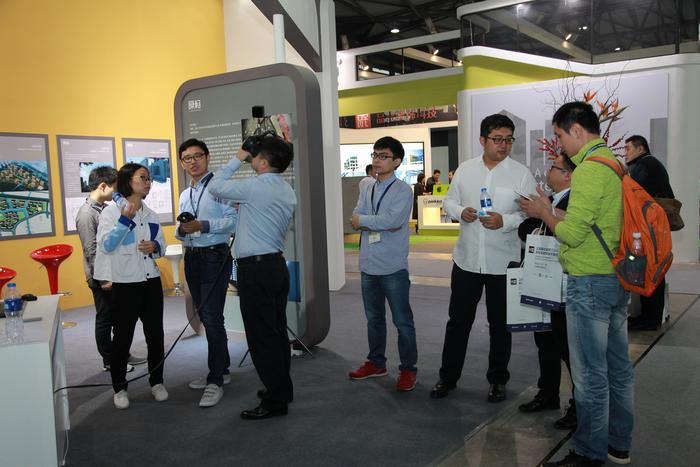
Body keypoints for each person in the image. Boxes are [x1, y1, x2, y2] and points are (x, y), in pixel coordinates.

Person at [520, 102, 633, 466]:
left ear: (577, 131)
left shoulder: (588, 170)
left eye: (559, 135)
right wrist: (552, 211)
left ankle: (588, 452)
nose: (559, 143)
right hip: (615, 276)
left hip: (589, 281)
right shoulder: (614, 164)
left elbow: (571, 234)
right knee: (618, 368)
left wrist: (544, 213)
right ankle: (618, 444)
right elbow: (592, 221)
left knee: (589, 375)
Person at [430, 114, 537, 403]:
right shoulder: (465, 170)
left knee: (500, 326)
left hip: (503, 261)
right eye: (497, 139)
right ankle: (447, 377)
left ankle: (498, 380)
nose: (504, 145)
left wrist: (506, 221)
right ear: (482, 140)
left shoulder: (521, 174)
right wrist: (460, 211)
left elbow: (530, 213)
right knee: (458, 322)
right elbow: (449, 201)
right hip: (467, 260)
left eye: (508, 139)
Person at [208, 135, 296, 420]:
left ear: (264, 162)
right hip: (275, 266)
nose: (252, 158)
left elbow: (215, 186)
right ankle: (281, 389)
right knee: (276, 332)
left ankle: (275, 401)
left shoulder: (256, 186)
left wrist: (237, 157)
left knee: (261, 338)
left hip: (256, 271)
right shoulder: (285, 188)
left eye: (255, 155)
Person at [94, 163, 168, 410]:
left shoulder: (151, 214)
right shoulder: (110, 213)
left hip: (151, 280)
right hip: (126, 282)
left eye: (149, 178)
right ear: (128, 181)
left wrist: (155, 247)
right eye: (143, 177)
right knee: (122, 338)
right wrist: (124, 221)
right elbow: (106, 245)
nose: (148, 182)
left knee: (155, 336)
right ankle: (119, 387)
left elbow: (162, 246)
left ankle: (157, 381)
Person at [348, 136, 418, 391]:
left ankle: (408, 369)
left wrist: (365, 221)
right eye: (375, 155)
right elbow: (355, 216)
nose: (377, 160)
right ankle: (376, 363)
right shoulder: (368, 187)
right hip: (368, 265)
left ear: (397, 161)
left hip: (393, 267)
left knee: (402, 322)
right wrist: (369, 220)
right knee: (374, 319)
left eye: (383, 156)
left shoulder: (403, 190)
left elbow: (392, 221)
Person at [516, 154, 577, 431]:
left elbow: (568, 232)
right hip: (543, 281)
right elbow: (527, 228)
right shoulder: (550, 200)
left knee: (567, 347)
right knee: (545, 341)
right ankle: (548, 392)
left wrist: (545, 216)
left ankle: (579, 404)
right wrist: (538, 221)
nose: (548, 171)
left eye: (553, 167)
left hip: (563, 282)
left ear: (567, 174)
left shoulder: (574, 201)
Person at [175, 139, 237, 408]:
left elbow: (234, 221)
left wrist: (204, 225)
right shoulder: (184, 194)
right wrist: (183, 229)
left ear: (207, 157)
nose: (193, 161)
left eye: (197, 156)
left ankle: (215, 380)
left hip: (214, 256)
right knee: (205, 315)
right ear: (182, 163)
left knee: (212, 317)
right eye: (187, 158)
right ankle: (222, 368)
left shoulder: (220, 188)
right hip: (192, 257)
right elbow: (180, 228)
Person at [75, 167, 147, 374]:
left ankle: (121, 354)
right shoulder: (87, 214)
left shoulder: (104, 209)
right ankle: (109, 359)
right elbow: (91, 250)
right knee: (105, 317)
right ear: (103, 186)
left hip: (114, 274)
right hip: (100, 276)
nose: (118, 192)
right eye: (115, 187)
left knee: (118, 317)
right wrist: (104, 278)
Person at [624, 134, 674, 331]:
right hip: (653, 226)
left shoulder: (645, 164)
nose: (625, 153)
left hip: (649, 227)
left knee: (650, 269)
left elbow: (633, 191)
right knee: (651, 268)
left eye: (628, 148)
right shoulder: (649, 163)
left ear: (640, 149)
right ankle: (648, 317)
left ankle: (650, 319)